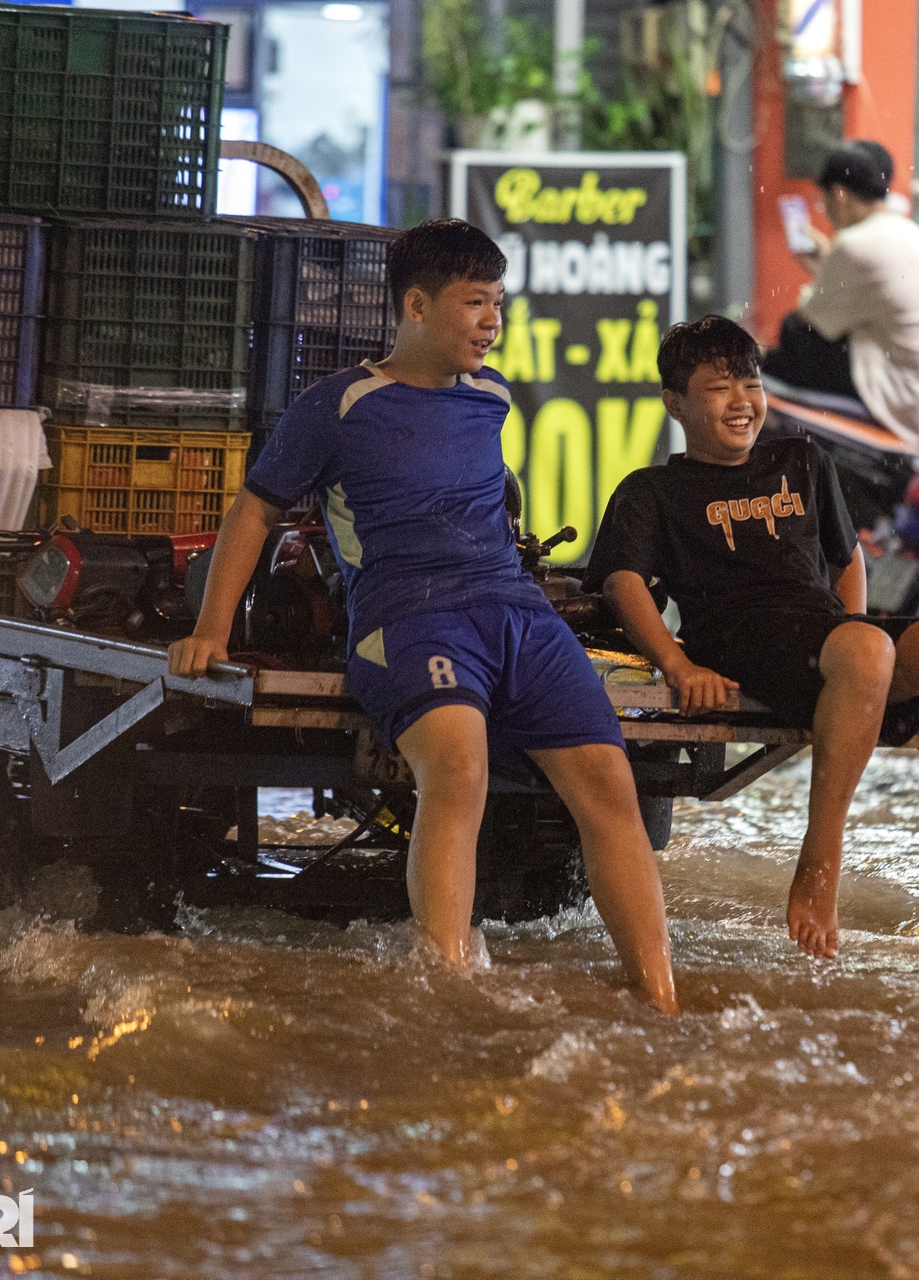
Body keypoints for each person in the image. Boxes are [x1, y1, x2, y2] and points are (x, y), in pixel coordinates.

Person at [168, 219, 679, 1015]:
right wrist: (211, 630)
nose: (493, 321)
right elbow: (252, 515)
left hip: (514, 610)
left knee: (609, 784)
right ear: (415, 305)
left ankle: (661, 998)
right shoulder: (337, 404)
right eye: (475, 303)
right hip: (406, 617)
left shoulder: (492, 399)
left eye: (498, 303)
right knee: (460, 769)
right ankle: (447, 994)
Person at [585, 316, 919, 961]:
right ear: (676, 402)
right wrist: (674, 663)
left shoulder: (801, 459)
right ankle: (819, 863)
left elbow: (847, 558)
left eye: (749, 383)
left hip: (819, 633)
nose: (742, 401)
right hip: (737, 643)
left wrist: (855, 636)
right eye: (719, 388)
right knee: (868, 651)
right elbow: (622, 582)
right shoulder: (655, 490)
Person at [760, 140, 919, 458]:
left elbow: (807, 322)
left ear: (841, 194)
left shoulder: (855, 244)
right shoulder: (909, 233)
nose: (826, 210)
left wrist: (827, 268)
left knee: (785, 343)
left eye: (825, 200)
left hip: (905, 401)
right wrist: (827, 265)